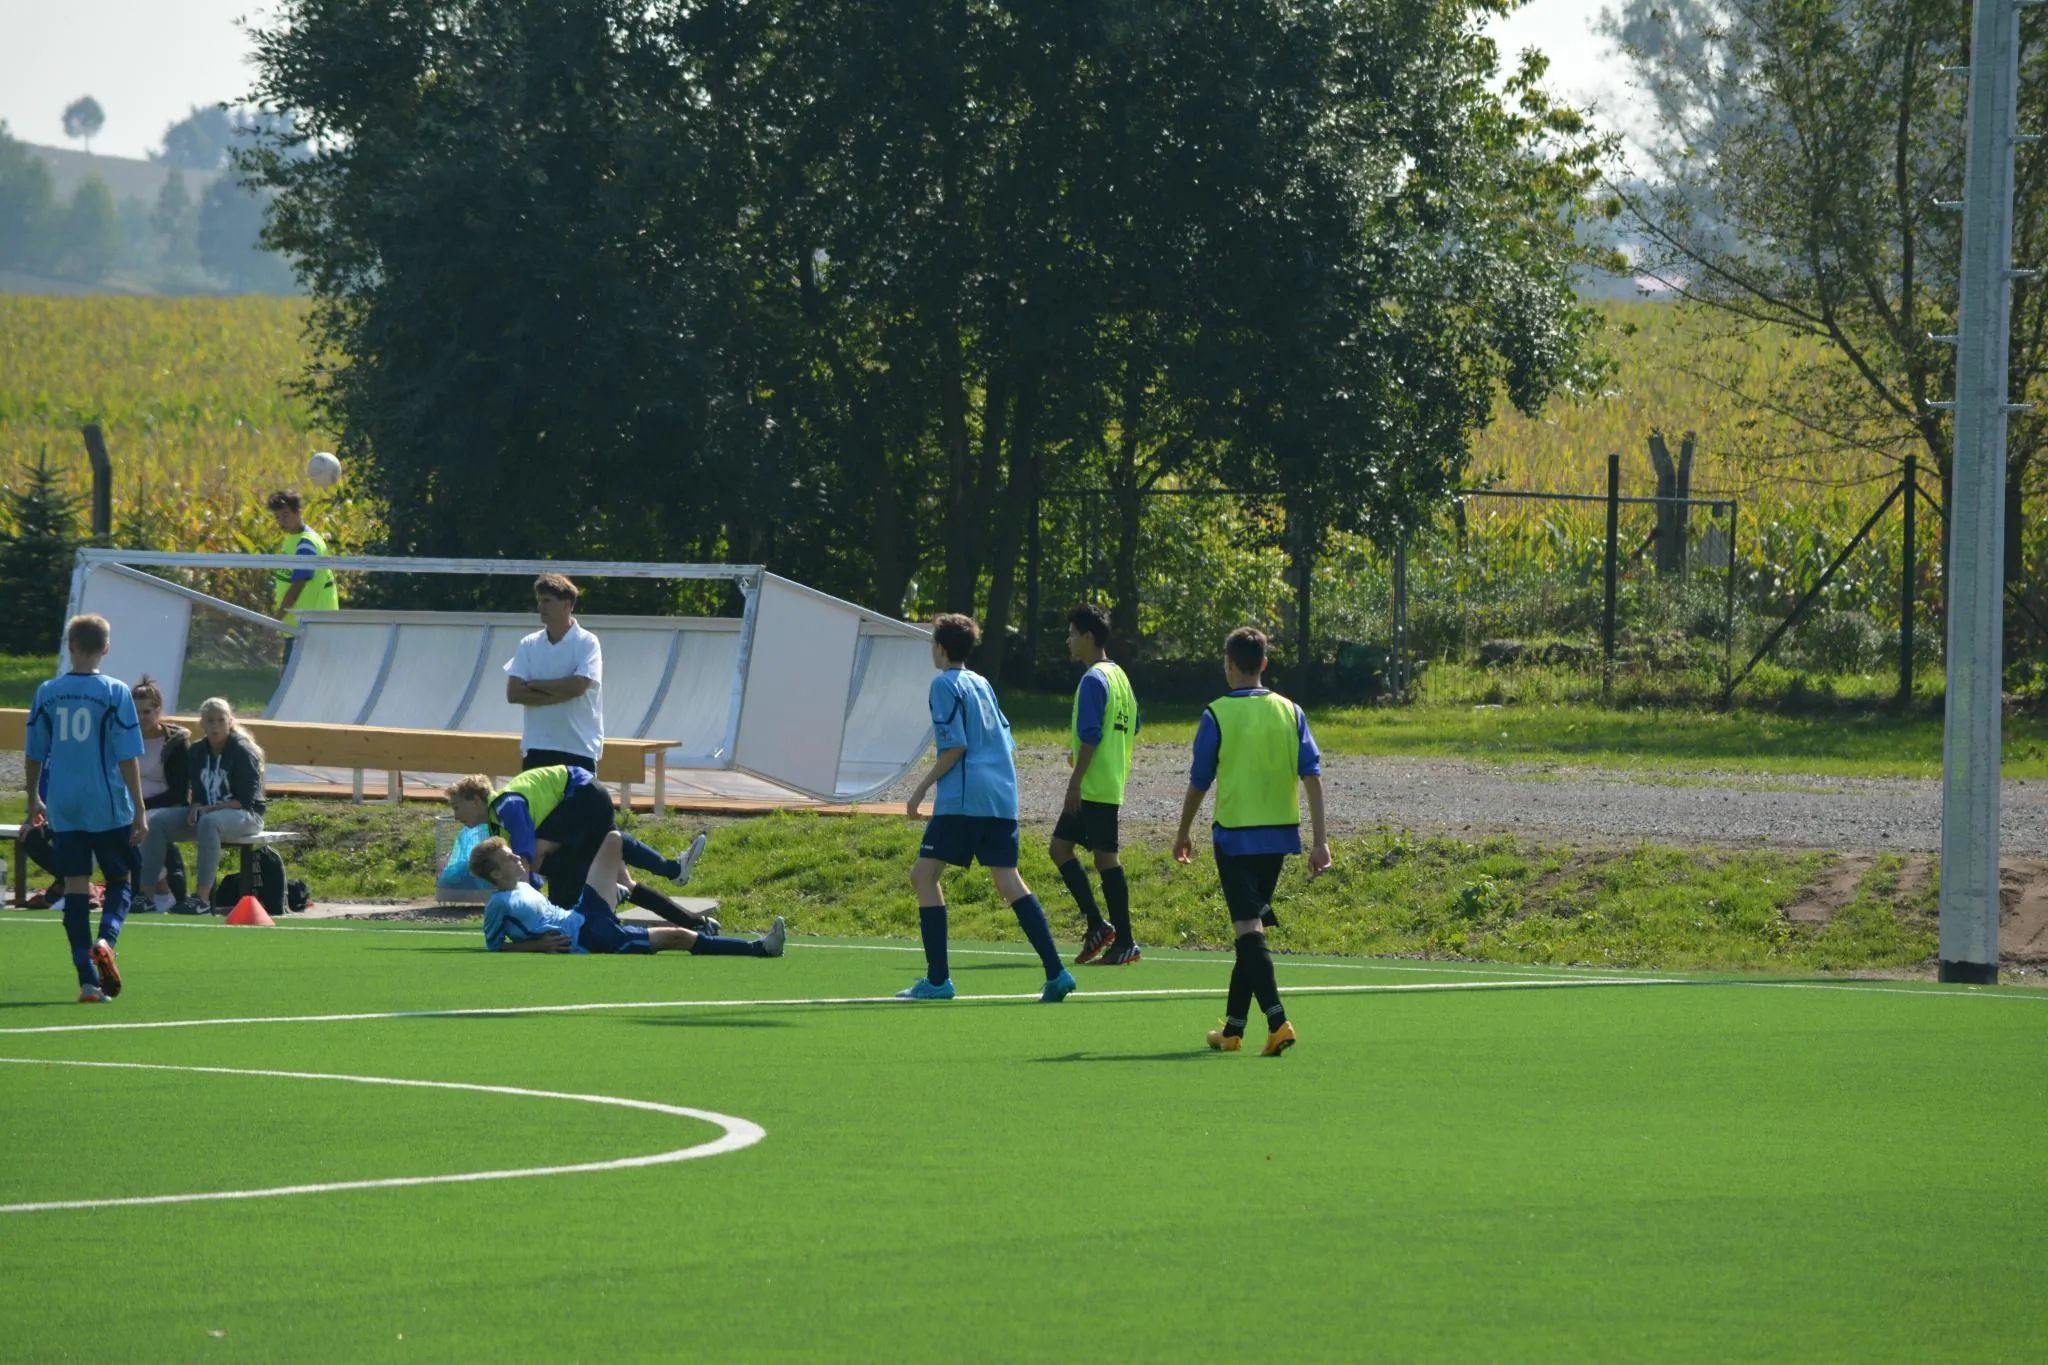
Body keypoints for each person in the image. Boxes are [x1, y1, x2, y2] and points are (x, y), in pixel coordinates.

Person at [898, 613, 1075, 1004]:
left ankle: (938, 980)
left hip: (964, 800)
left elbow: (955, 746)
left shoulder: (944, 684)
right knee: (1008, 880)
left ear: (940, 648)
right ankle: (1056, 972)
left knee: (924, 875)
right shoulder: (982, 684)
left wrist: (920, 790)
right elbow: (1007, 742)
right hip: (1001, 796)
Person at [1172, 627, 1331, 1056]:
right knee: (1250, 930)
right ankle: (1233, 1030)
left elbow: (1199, 781)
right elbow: (1312, 777)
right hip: (1278, 836)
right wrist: (1320, 840)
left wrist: (1183, 831)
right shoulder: (1291, 711)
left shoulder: (1217, 713)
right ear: (1264, 663)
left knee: (1247, 929)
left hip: (1235, 838)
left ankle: (1278, 1022)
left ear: (1228, 665)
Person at [24, 614, 147, 1002]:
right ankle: (106, 939)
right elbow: (127, 756)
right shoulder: (115, 692)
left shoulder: (47, 691)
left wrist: (33, 799)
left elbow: (33, 752)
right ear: (106, 648)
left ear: (70, 645)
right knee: (121, 878)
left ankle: (87, 981)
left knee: (75, 884)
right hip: (105, 801)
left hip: (64, 803)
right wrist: (140, 808)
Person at [445, 770, 711, 929]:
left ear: (476, 800)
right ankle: (694, 921)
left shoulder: (506, 805)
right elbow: (527, 875)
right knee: (624, 882)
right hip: (584, 798)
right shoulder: (496, 824)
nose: (456, 816)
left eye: (457, 807)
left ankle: (655, 875)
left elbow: (526, 859)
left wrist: (523, 911)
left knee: (539, 855)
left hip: (582, 793)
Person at [471, 831, 785, 960]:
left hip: (583, 914)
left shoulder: (525, 885)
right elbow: (494, 946)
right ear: (496, 874)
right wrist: (539, 946)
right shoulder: (498, 904)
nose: (517, 857)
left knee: (613, 839)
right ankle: (760, 948)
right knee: (680, 937)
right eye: (508, 858)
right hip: (590, 938)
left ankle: (673, 869)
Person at [1049, 603, 1141, 966]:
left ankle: (1121, 938)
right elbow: (1132, 726)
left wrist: (1075, 781)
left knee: (1100, 858)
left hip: (1091, 787)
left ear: (1088, 637)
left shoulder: (1092, 679)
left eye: (1072, 634)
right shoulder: (1120, 677)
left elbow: (1091, 734)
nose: (1068, 640)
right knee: (1065, 849)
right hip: (1107, 782)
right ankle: (1101, 927)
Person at [139, 697, 266, 914]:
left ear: (230, 721)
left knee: (209, 822)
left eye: (220, 720)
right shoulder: (197, 751)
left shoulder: (243, 751)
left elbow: (245, 801)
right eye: (210, 720)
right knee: (156, 823)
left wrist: (208, 809)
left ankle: (202, 900)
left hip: (245, 815)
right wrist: (196, 806)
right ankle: (146, 896)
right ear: (202, 724)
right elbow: (198, 793)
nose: (215, 726)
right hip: (208, 814)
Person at [505, 573, 603, 772]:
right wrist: (561, 693)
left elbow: (577, 687)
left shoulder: (587, 642)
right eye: (540, 600)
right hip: (537, 748)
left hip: (578, 749)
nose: (540, 607)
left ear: (566, 605)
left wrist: (535, 685)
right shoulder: (528, 643)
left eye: (547, 601)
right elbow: (514, 693)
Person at [131, 676, 191, 908]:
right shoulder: (124, 739)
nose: (141, 718)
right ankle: (162, 890)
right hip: (130, 806)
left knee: (144, 825)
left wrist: (141, 807)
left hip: (165, 806)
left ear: (158, 710)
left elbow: (179, 793)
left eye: (147, 712)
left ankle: (158, 892)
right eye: (136, 712)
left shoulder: (175, 743)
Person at [267, 489, 339, 666]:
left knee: (293, 680)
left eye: (285, 515)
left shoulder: (307, 543)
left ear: (298, 512)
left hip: (310, 626)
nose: (281, 521)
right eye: (277, 517)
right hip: (298, 626)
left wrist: (277, 618)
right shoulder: (292, 540)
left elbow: (297, 586)